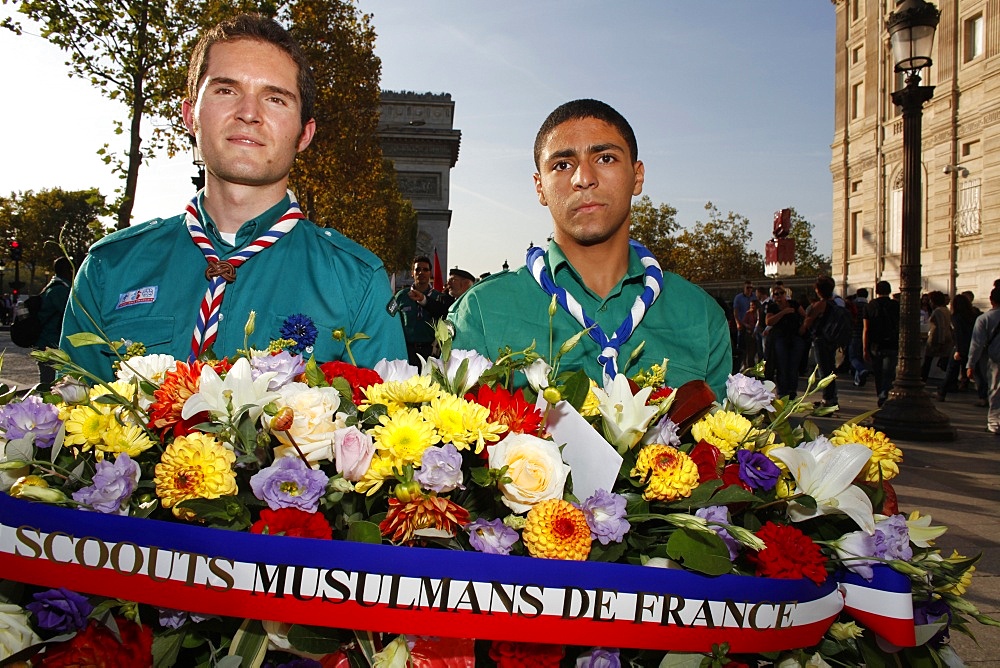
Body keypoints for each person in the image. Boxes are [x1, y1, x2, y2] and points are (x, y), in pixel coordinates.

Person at [60, 14, 405, 381]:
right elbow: (70, 423)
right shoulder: (108, 268)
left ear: (305, 134)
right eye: (227, 90)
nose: (248, 113)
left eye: (275, 99)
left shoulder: (358, 282)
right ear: (190, 115)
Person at [450, 99, 730, 399]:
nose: (584, 179)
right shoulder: (480, 311)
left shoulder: (701, 317)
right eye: (562, 165)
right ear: (539, 187)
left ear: (637, 176)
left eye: (605, 158)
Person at [392, 256, 449, 365]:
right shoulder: (401, 296)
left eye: (425, 269)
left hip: (431, 352)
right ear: (412, 273)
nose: (421, 272)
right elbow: (392, 322)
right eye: (417, 269)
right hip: (407, 351)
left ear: (430, 273)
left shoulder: (439, 298)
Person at [801, 275, 840, 408]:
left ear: (818, 290)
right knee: (830, 369)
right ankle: (832, 397)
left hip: (821, 340)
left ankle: (828, 399)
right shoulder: (834, 303)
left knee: (824, 371)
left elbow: (807, 322)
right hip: (832, 339)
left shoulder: (820, 305)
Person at [966, 286, 1000, 434]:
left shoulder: (984, 319)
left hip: (995, 358)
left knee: (995, 389)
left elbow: (976, 344)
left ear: (991, 301)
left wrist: (971, 364)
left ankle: (994, 423)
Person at [765, 285, 807, 399]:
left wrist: (803, 327)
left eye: (781, 293)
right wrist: (783, 312)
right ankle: (782, 391)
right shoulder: (772, 307)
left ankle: (792, 390)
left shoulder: (794, 304)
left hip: (795, 336)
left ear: (785, 294)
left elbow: (805, 316)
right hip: (780, 338)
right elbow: (769, 321)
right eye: (776, 294)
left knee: (793, 366)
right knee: (782, 366)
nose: (779, 296)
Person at [863, 280, 900, 408]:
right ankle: (885, 394)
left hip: (875, 344)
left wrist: (865, 348)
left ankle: (880, 394)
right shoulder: (896, 305)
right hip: (892, 343)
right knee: (889, 372)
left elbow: (866, 329)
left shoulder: (870, 306)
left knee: (878, 372)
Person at [36, 258, 74, 384]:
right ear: (67, 270)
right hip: (51, 343)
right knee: (52, 383)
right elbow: (71, 314)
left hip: (47, 341)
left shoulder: (52, 287)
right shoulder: (60, 291)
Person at [938, 292, 976, 401]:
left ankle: (942, 392)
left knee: (951, 369)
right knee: (974, 369)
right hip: (971, 345)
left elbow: (958, 333)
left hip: (959, 346)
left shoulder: (956, 317)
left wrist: (958, 350)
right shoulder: (972, 316)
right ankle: (982, 394)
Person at [921, 291, 953, 382]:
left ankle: (923, 379)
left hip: (935, 339)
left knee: (927, 361)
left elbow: (940, 326)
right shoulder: (946, 310)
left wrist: (940, 341)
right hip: (946, 338)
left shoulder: (938, 311)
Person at [733, 280, 756, 373]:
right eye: (748, 287)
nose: (749, 289)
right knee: (742, 346)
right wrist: (738, 322)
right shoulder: (738, 298)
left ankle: (751, 364)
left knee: (752, 346)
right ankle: (743, 364)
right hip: (742, 324)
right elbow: (736, 311)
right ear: (744, 288)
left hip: (752, 325)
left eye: (751, 288)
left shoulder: (754, 297)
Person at [849, 287, 869, 386]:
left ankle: (861, 370)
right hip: (865, 335)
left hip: (854, 334)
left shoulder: (853, 305)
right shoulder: (868, 306)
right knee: (861, 357)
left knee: (853, 357)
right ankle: (858, 379)